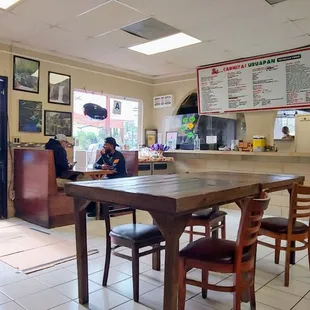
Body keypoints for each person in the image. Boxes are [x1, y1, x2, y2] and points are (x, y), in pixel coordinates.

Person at [87, 137, 127, 217]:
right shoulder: (106, 155)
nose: (104, 146)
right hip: (109, 178)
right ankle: (93, 208)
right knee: (93, 185)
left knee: (102, 186)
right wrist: (101, 166)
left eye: (106, 144)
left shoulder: (118, 155)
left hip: (119, 179)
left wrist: (104, 157)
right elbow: (95, 165)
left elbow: (112, 167)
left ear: (111, 146)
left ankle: (102, 211)